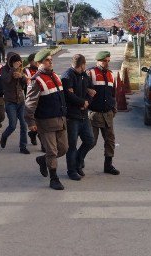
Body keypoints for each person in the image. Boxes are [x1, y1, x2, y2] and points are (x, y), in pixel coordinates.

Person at [27, 50, 69, 190]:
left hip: (60, 119)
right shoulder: (36, 80)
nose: (50, 62)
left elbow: (61, 98)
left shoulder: (56, 76)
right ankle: (54, 178)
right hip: (45, 121)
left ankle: (42, 160)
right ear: (38, 63)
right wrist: (31, 122)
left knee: (63, 149)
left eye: (51, 59)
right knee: (52, 151)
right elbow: (30, 104)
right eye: (47, 60)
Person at [61, 54, 96, 180]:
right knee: (72, 145)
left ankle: (78, 162)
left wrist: (87, 101)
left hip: (83, 115)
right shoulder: (67, 76)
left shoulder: (84, 75)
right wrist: (82, 102)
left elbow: (92, 91)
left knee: (90, 140)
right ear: (82, 65)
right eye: (83, 66)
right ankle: (72, 171)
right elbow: (68, 95)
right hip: (72, 116)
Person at [87, 51, 120, 175]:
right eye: (104, 61)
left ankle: (108, 165)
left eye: (108, 61)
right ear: (98, 60)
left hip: (108, 113)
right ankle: (79, 160)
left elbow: (113, 93)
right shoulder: (90, 73)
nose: (107, 63)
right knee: (91, 141)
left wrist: (114, 107)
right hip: (94, 113)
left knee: (110, 140)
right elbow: (83, 89)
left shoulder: (111, 74)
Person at [0, 52, 30, 154]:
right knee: (12, 125)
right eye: (16, 63)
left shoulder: (22, 69)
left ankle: (23, 146)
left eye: (19, 62)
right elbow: (7, 80)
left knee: (23, 124)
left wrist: (21, 76)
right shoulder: (3, 69)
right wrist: (13, 70)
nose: (18, 64)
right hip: (10, 101)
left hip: (21, 101)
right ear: (11, 62)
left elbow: (27, 81)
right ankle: (4, 136)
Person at [24, 52, 42, 148]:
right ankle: (33, 134)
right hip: (31, 100)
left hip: (42, 100)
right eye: (34, 61)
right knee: (34, 122)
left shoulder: (42, 70)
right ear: (30, 61)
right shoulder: (25, 71)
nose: (36, 62)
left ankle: (34, 136)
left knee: (41, 122)